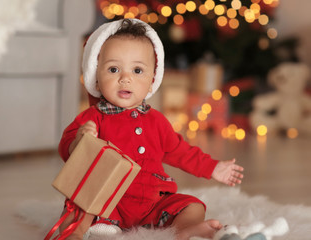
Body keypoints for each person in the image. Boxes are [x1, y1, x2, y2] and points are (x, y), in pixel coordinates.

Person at [57, 18, 244, 240]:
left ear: (152, 79)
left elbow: (181, 152)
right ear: (96, 79)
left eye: (137, 70)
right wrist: (80, 140)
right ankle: (73, 234)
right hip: (107, 199)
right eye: (113, 69)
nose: (125, 78)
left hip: (152, 202)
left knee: (192, 205)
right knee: (78, 202)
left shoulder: (156, 121)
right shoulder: (94, 117)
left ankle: (185, 231)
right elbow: (66, 148)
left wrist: (213, 168)